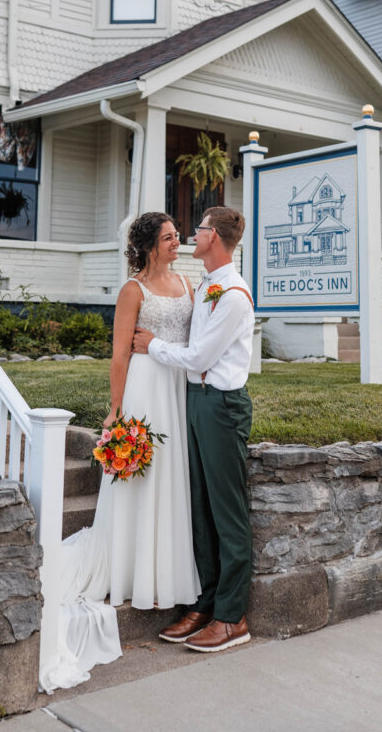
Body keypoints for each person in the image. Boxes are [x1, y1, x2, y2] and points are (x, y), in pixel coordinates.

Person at [40, 212, 201, 692]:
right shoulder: (133, 290)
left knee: (173, 480)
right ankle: (134, 570)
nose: (179, 242)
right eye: (171, 237)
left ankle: (169, 571)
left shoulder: (187, 283)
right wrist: (115, 411)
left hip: (180, 389)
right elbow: (119, 354)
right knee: (143, 480)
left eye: (179, 236)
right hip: (146, 391)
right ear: (152, 244)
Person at [133, 206, 255, 653]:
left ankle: (231, 617)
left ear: (216, 239)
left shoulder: (234, 295)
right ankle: (205, 603)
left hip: (222, 405)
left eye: (200, 229)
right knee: (200, 509)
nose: (192, 235)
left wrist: (153, 346)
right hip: (196, 401)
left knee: (227, 513)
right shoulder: (205, 284)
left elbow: (200, 357)